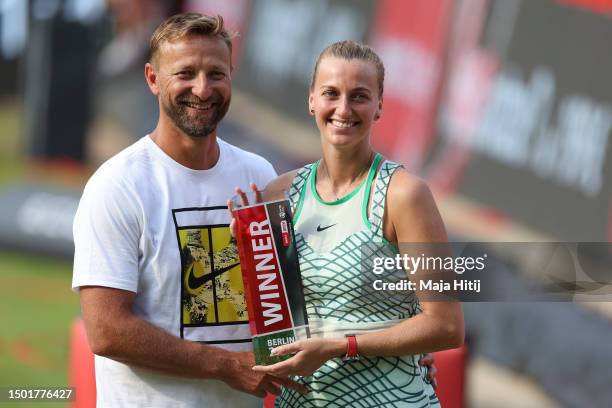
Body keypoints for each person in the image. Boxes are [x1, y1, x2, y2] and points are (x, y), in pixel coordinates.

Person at [71, 13, 308, 407]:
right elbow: (106, 329)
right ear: (152, 79)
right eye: (185, 73)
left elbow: (288, 305)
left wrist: (398, 356)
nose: (202, 88)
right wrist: (225, 366)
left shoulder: (259, 173)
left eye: (216, 73)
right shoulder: (117, 185)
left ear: (231, 76)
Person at [232, 40, 463, 407]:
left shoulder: (404, 195)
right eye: (331, 93)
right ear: (311, 100)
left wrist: (343, 346)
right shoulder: (280, 194)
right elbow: (272, 325)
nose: (343, 109)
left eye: (359, 96)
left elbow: (446, 326)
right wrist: (242, 258)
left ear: (380, 106)